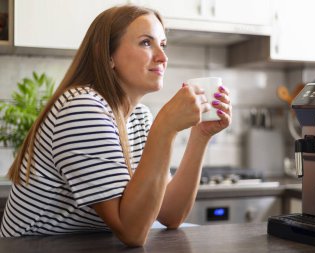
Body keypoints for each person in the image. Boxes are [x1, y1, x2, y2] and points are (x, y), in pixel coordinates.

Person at [0, 4, 231, 247]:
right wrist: (165, 127)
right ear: (107, 55)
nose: (163, 57)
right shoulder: (82, 107)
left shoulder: (139, 116)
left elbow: (170, 215)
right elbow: (132, 232)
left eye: (162, 45)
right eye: (145, 42)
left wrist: (200, 135)